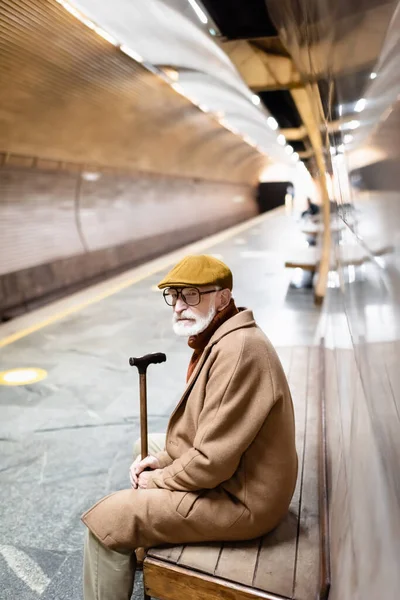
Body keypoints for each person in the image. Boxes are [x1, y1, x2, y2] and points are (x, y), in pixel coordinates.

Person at [82, 254, 298, 600]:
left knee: (109, 520)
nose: (179, 306)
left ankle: (132, 532)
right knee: (149, 448)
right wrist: (163, 460)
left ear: (223, 297)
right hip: (241, 476)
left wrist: (159, 479)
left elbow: (212, 462)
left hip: (244, 501)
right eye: (174, 295)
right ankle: (150, 528)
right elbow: (210, 437)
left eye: (191, 295)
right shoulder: (222, 336)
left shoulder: (239, 351)